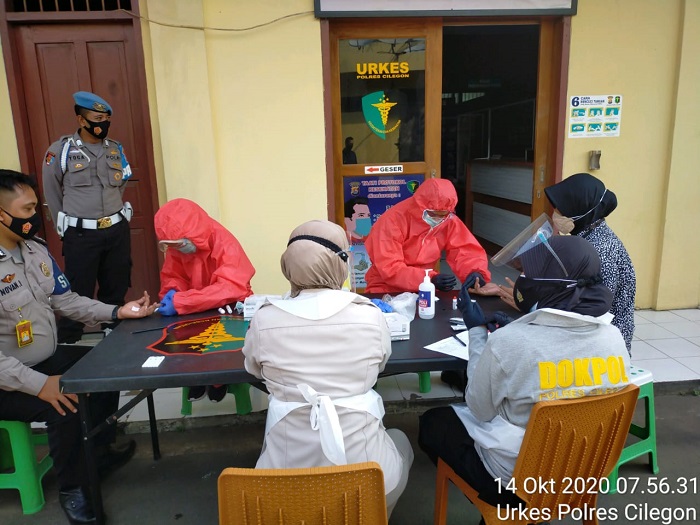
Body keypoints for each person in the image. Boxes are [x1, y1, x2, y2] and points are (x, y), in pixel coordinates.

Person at [418, 235, 631, 520]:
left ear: (546, 284)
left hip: (517, 482)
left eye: (530, 274)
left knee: (433, 423)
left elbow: (479, 409)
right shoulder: (613, 337)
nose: (522, 279)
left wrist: (478, 332)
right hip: (586, 471)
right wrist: (522, 324)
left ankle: (503, 514)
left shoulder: (511, 342)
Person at [0, 170, 157, 525]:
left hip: (43, 357)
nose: (35, 216)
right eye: (27, 209)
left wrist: (117, 311)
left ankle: (97, 453)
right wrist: (40, 385)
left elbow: (66, 300)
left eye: (35, 207)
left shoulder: (35, 250)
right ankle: (74, 489)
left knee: (107, 368)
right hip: (7, 379)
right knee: (66, 403)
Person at [242, 220, 414, 517]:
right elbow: (380, 365)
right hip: (368, 484)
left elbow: (254, 369)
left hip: (283, 489)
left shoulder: (264, 319)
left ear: (288, 265)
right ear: (341, 264)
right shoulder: (369, 315)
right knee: (400, 441)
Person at [499, 173, 636, 353]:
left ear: (580, 209)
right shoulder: (586, 237)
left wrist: (532, 307)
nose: (556, 213)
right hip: (585, 339)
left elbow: (592, 311)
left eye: (561, 209)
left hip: (602, 348)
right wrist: (524, 293)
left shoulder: (600, 250)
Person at [43, 91, 134, 344]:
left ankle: (115, 343)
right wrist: (67, 225)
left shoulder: (115, 149)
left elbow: (122, 182)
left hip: (116, 231)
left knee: (115, 289)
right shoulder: (60, 151)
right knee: (76, 293)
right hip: (81, 234)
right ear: (82, 120)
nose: (103, 124)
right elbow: (52, 192)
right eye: (97, 119)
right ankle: (69, 347)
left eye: (106, 119)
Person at [154, 198, 255, 402]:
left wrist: (181, 301)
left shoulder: (225, 242)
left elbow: (231, 287)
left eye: (180, 244)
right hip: (194, 305)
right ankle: (196, 378)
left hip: (228, 306)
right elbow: (174, 275)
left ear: (193, 232)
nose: (178, 249)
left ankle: (219, 381)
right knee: (184, 339)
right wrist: (171, 292)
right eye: (173, 246)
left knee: (224, 346)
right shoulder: (177, 245)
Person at [364, 178, 499, 295]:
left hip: (426, 286)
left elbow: (465, 249)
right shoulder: (391, 221)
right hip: (386, 288)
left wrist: (475, 273)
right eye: (433, 214)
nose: (439, 219)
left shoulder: (448, 219)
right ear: (420, 206)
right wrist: (428, 278)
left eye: (444, 214)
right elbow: (390, 268)